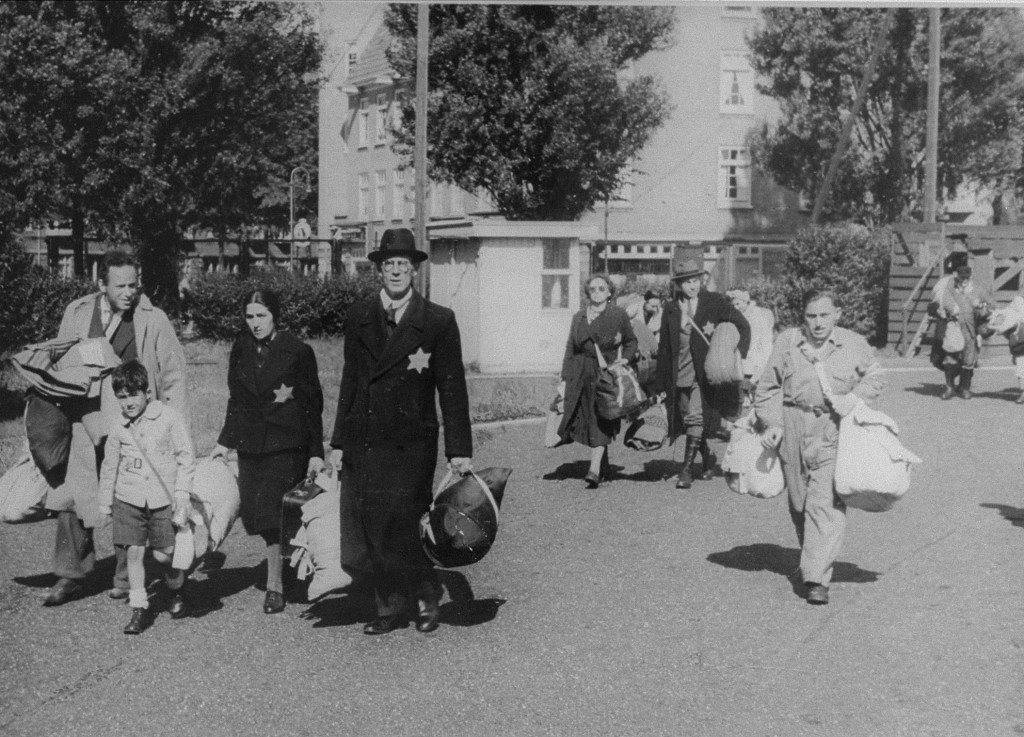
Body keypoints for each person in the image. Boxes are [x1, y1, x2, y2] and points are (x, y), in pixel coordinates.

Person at [328, 228, 472, 635]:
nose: (395, 271)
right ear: (378, 270)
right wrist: (338, 442)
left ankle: (425, 593)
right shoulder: (359, 316)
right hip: (366, 437)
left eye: (402, 265)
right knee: (372, 522)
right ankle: (388, 606)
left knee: (406, 519)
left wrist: (459, 449)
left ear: (414, 271)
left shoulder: (438, 321)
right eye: (388, 264)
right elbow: (351, 382)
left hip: (412, 440)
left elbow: (452, 387)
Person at [43, 250, 189, 607]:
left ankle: (126, 576)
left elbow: (174, 378)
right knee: (73, 495)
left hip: (132, 423)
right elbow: (59, 363)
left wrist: (175, 433)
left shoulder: (153, 319)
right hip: (83, 419)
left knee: (129, 497)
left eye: (133, 285)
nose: (128, 292)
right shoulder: (77, 313)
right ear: (101, 285)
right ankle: (70, 574)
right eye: (120, 285)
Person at [753, 289, 884, 605]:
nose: (818, 323)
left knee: (823, 503)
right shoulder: (788, 341)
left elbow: (876, 377)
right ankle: (812, 558)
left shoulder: (853, 344)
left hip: (833, 429)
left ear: (837, 313)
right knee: (799, 504)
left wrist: (853, 399)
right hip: (792, 426)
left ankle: (816, 578)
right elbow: (768, 387)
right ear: (803, 317)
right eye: (811, 316)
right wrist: (772, 424)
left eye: (825, 315)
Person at [211, 288, 324, 614]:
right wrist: (224, 440)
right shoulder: (240, 348)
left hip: (286, 442)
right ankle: (291, 561)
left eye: (262, 316)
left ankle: (275, 584)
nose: (256, 323)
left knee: (273, 513)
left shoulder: (298, 352)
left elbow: (311, 405)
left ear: (275, 316)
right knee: (254, 513)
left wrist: (316, 451)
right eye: (250, 316)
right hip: (250, 442)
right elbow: (236, 399)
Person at [97, 361, 195, 634]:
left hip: (163, 498)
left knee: (165, 556)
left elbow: (186, 457)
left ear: (147, 393)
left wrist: (182, 492)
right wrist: (105, 501)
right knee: (134, 552)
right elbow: (109, 464)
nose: (127, 402)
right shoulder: (118, 425)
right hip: (128, 497)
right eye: (121, 396)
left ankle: (177, 589)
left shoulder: (168, 417)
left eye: (133, 395)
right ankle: (139, 608)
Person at [654, 259, 750, 490]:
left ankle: (686, 470)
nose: (692, 286)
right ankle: (708, 456)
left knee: (696, 416)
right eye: (686, 282)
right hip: (680, 372)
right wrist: (659, 382)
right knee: (688, 417)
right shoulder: (671, 308)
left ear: (701, 280)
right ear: (679, 284)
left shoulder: (715, 302)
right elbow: (665, 347)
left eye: (695, 280)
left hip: (703, 372)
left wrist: (736, 354)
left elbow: (742, 325)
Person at [556, 273, 638, 489]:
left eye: (601, 288)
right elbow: (570, 348)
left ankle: (593, 470)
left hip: (605, 375)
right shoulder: (579, 317)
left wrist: (625, 359)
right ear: (587, 293)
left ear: (609, 292)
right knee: (586, 418)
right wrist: (564, 378)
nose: (597, 292)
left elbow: (631, 342)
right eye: (592, 289)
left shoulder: (618, 315)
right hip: (580, 374)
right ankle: (603, 465)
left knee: (601, 418)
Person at [929, 264, 992, 400]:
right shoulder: (950, 287)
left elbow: (992, 305)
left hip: (970, 330)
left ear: (970, 277)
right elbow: (944, 299)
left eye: (967, 278)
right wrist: (952, 307)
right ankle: (950, 387)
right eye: (962, 277)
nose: (964, 280)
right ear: (957, 276)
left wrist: (980, 307)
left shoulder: (978, 289)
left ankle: (965, 388)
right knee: (949, 359)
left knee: (968, 360)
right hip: (953, 328)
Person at [726, 289, 776, 395]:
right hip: (743, 361)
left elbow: (763, 339)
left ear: (745, 302)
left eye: (738, 304)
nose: (735, 307)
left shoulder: (757, 315)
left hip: (756, 358)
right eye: (733, 305)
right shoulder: (737, 316)